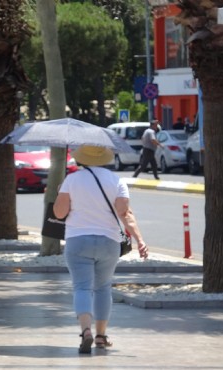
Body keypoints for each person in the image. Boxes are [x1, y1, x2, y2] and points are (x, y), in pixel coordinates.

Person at [54, 145, 149, 354]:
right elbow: (125, 214)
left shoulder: (72, 180)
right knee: (103, 287)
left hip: (78, 240)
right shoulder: (117, 181)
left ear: (81, 159)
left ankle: (85, 331)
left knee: (82, 287)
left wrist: (61, 190)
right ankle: (101, 336)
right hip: (109, 242)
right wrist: (139, 239)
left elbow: (60, 213)